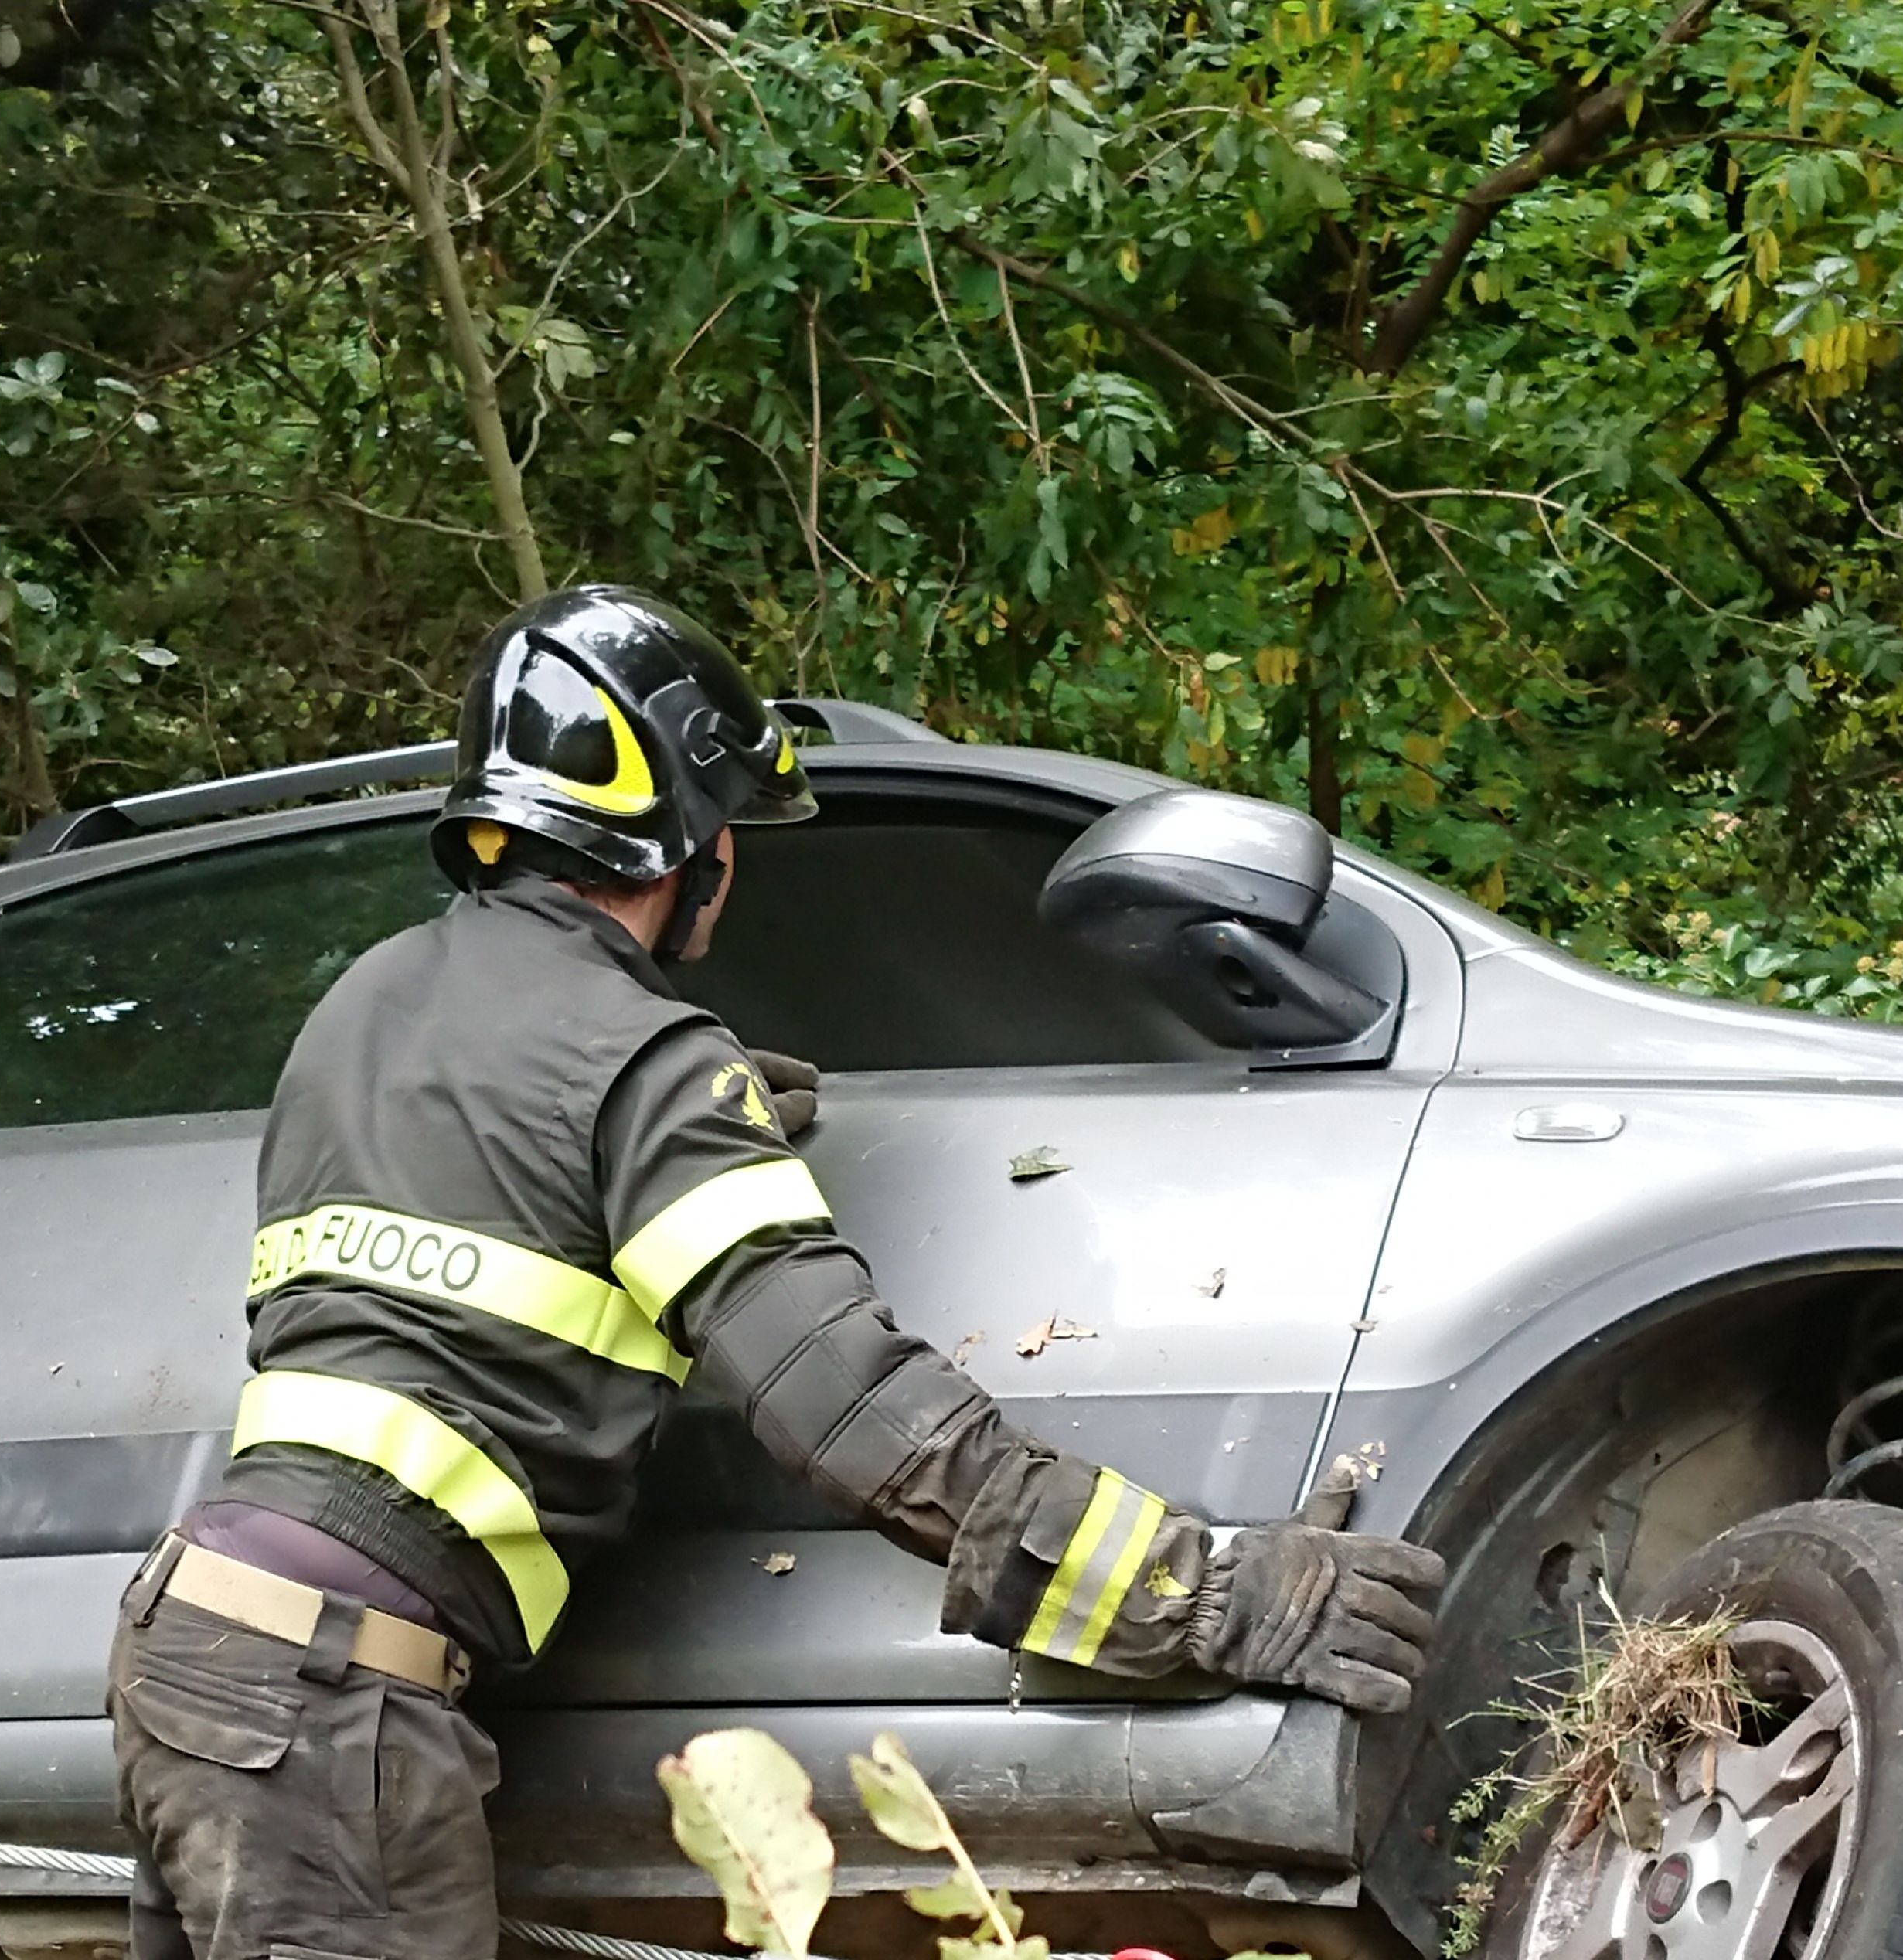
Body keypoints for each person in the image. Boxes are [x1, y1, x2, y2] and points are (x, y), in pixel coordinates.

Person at [106, 586, 1448, 1959]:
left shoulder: (364, 1006)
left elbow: (457, 1241)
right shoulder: (644, 1061)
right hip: (335, 1701)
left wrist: (676, 1120)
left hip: (192, 1650)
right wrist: (1197, 1594)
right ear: (689, 839)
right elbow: (852, 1411)